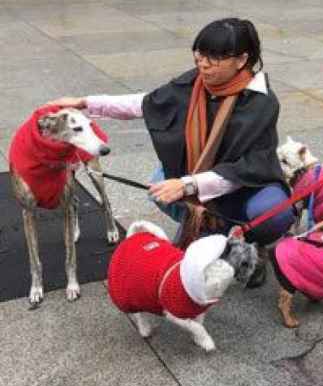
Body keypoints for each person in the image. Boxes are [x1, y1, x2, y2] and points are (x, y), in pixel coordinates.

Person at [49, 18, 294, 287]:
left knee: (274, 212)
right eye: (200, 54)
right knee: (159, 182)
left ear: (241, 60)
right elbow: (145, 103)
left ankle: (250, 243)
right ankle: (208, 227)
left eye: (214, 57)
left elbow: (246, 167)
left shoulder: (262, 103)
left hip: (248, 185)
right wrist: (84, 103)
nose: (203, 63)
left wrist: (187, 184)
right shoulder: (195, 83)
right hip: (202, 186)